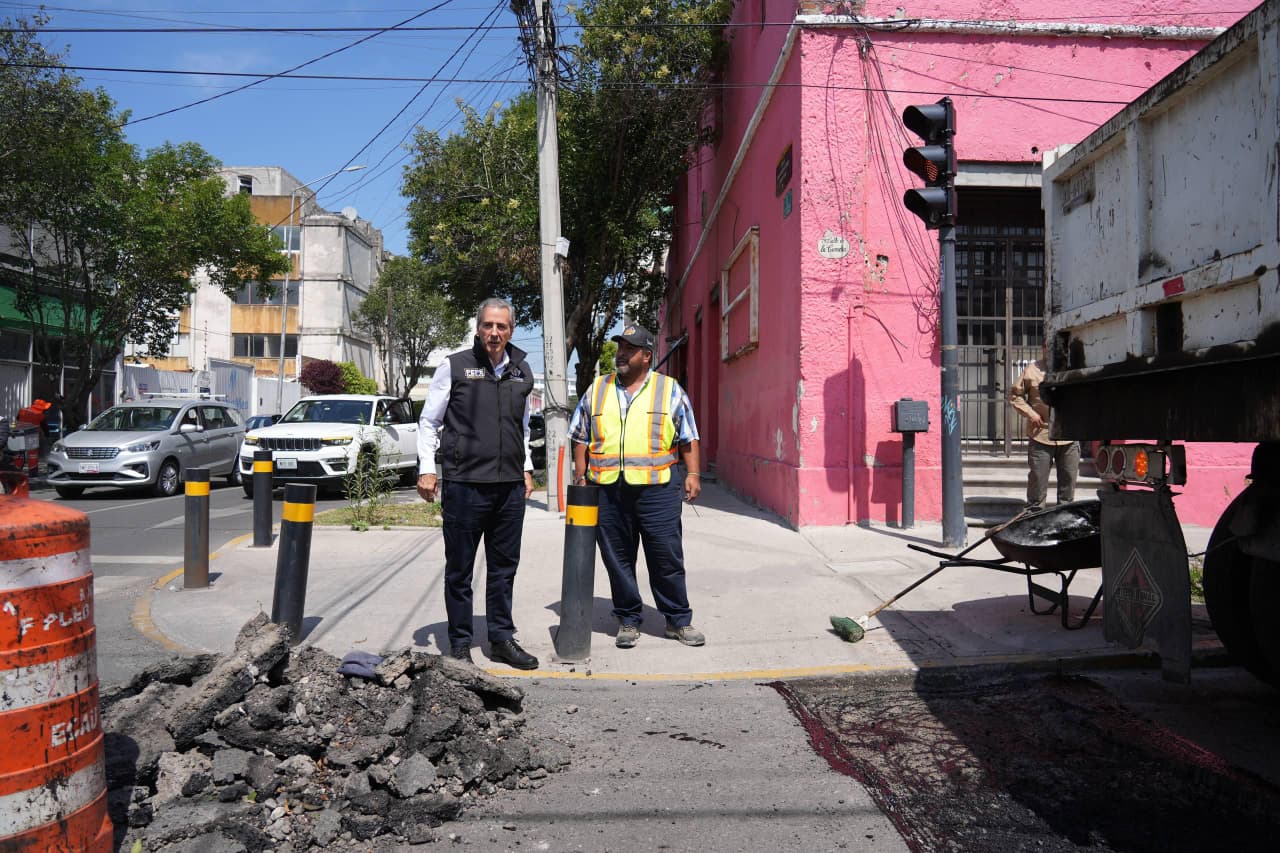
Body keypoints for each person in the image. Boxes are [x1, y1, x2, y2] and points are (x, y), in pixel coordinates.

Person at [417, 297, 539, 670]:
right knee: (460, 570)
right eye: (488, 325)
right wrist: (427, 468)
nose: (494, 332)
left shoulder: (522, 371)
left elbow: (521, 426)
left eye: (501, 326)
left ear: (511, 330)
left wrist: (527, 467)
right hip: (465, 484)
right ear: (478, 328)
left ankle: (501, 638)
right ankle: (459, 645)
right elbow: (428, 422)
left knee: (504, 568)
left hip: (508, 488)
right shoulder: (454, 366)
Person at [569, 324, 706, 649]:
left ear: (646, 356)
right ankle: (628, 619)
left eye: (629, 349)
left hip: (657, 491)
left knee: (666, 557)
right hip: (609, 490)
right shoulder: (598, 389)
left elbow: (688, 436)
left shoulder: (668, 389)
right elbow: (579, 434)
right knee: (618, 558)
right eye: (620, 348)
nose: (621, 354)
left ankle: (677, 621)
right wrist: (580, 473)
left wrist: (694, 474)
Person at [1009, 344, 1079, 510]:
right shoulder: (1032, 370)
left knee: (1068, 485)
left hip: (1068, 435)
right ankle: (1033, 521)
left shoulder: (1073, 369)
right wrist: (1030, 413)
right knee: (1037, 484)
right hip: (1040, 435)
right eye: (1050, 346)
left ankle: (1064, 521)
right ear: (1044, 348)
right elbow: (1014, 395)